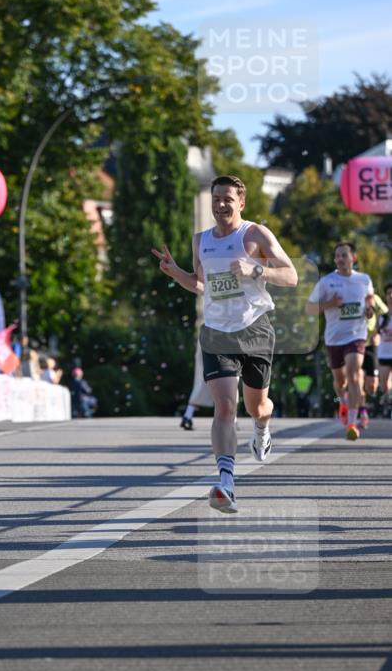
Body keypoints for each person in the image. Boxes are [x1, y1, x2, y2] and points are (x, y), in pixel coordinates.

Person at [153, 174, 298, 514]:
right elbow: (203, 285)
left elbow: (291, 276)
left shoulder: (255, 234)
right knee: (224, 407)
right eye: (216, 198)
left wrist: (256, 270)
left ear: (241, 203)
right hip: (217, 331)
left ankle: (262, 426)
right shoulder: (201, 240)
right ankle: (226, 482)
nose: (220, 205)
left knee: (256, 407)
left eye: (227, 199)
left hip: (254, 328)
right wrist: (176, 273)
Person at [306, 242, 374, 441]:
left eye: (344, 255)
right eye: (337, 256)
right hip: (334, 338)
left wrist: (369, 309)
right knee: (340, 381)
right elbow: (309, 308)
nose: (340, 259)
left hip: (356, 335)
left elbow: (369, 297)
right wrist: (331, 304)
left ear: (353, 258)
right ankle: (342, 402)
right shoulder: (327, 282)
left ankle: (352, 423)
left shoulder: (364, 279)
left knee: (354, 374)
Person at [361, 291, 388, 424]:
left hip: (371, 344)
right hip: (353, 343)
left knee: (372, 385)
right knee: (357, 379)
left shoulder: (374, 298)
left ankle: (368, 404)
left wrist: (378, 332)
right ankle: (362, 411)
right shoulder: (348, 295)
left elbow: (386, 314)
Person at [377, 282, 392, 416]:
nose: (391, 296)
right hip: (384, 354)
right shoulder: (381, 316)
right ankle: (388, 399)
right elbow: (375, 334)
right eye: (388, 293)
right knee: (384, 384)